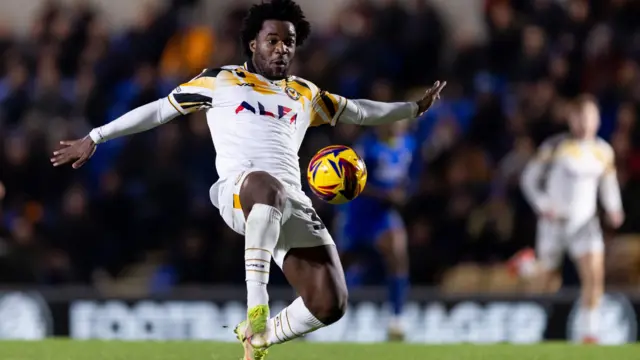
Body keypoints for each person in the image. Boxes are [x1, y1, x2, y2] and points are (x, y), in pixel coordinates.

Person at [51, 0, 446, 358]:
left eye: (289, 41)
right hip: (241, 191)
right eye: (272, 40)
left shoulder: (304, 93)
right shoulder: (218, 80)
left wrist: (413, 109)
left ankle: (258, 338)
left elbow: (359, 111)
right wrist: (95, 136)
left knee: (330, 303)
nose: (282, 48)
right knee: (264, 185)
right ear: (253, 44)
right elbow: (158, 111)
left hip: (291, 201)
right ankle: (256, 306)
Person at [509, 95, 624, 344]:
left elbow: (608, 184)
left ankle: (589, 333)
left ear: (597, 119)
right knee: (547, 279)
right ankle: (527, 270)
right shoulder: (556, 147)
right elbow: (529, 179)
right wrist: (543, 205)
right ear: (571, 119)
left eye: (590, 117)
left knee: (594, 275)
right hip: (555, 223)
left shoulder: (603, 151)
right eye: (580, 117)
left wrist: (615, 208)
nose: (585, 123)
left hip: (585, 223)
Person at [337, 119, 420, 341]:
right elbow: (352, 182)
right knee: (339, 265)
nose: (395, 126)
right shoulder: (366, 147)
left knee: (397, 252)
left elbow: (409, 178)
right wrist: (384, 195)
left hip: (383, 215)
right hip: (358, 214)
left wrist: (404, 192)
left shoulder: (409, 145)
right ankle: (306, 308)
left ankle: (397, 317)